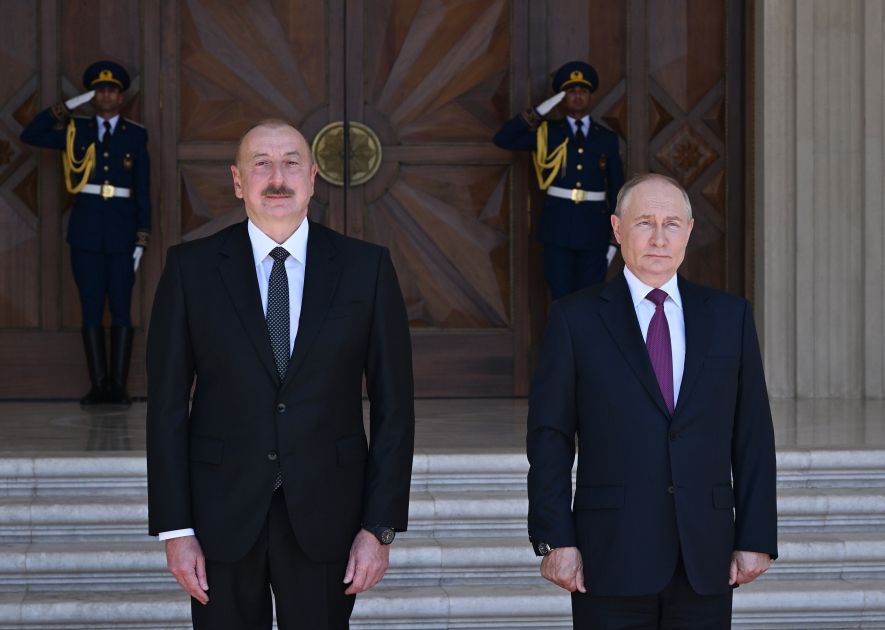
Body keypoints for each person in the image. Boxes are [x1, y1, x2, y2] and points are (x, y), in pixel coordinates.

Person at [146, 119, 415, 629]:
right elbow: (165, 409)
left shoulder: (366, 268)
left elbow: (394, 407)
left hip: (328, 514)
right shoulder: (190, 269)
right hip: (220, 513)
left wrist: (379, 527)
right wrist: (175, 529)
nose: (277, 178)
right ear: (237, 180)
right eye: (261, 164)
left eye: (291, 163)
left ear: (313, 177)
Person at [525, 173, 777, 628]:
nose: (659, 238)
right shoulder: (574, 319)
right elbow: (550, 437)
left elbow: (753, 433)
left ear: (690, 231)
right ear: (618, 229)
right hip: (610, 554)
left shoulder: (729, 316)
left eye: (672, 224)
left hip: (706, 553)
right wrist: (555, 537)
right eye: (645, 223)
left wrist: (756, 534)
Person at [20, 60, 150, 407]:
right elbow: (30, 134)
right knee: (91, 307)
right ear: (93, 96)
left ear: (121, 97)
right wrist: (70, 106)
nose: (107, 95)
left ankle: (118, 388)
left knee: (121, 308)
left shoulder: (135, 135)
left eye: (112, 90)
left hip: (123, 234)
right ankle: (98, 386)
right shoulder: (77, 130)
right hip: (87, 233)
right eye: (100, 90)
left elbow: (143, 189)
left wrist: (143, 235)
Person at [494, 61, 624, 299]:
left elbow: (617, 187)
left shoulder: (606, 138)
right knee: (560, 297)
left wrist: (615, 235)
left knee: (590, 297)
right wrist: (539, 111)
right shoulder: (548, 132)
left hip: (594, 229)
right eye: (571, 92)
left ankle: (586, 338)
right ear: (562, 98)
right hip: (558, 227)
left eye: (582, 91)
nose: (577, 97)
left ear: (591, 96)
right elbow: (503, 139)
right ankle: (563, 338)